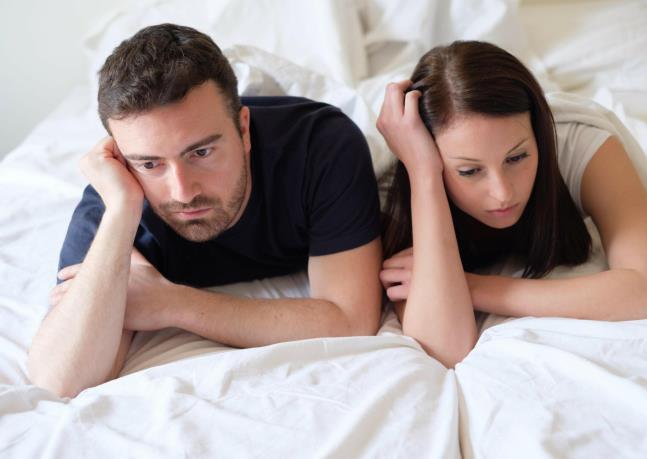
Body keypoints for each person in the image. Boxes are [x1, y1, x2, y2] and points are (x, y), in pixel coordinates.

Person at [28, 24, 383, 397]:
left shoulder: (320, 146)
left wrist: (172, 303)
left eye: (201, 152)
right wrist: (121, 211)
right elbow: (60, 379)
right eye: (150, 164)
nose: (183, 192)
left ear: (244, 129)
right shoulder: (112, 203)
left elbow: (350, 320)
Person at [376, 40, 647, 368]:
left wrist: (471, 286)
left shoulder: (577, 143)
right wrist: (424, 174)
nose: (502, 193)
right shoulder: (398, 192)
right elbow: (444, 349)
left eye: (517, 157)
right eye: (469, 171)